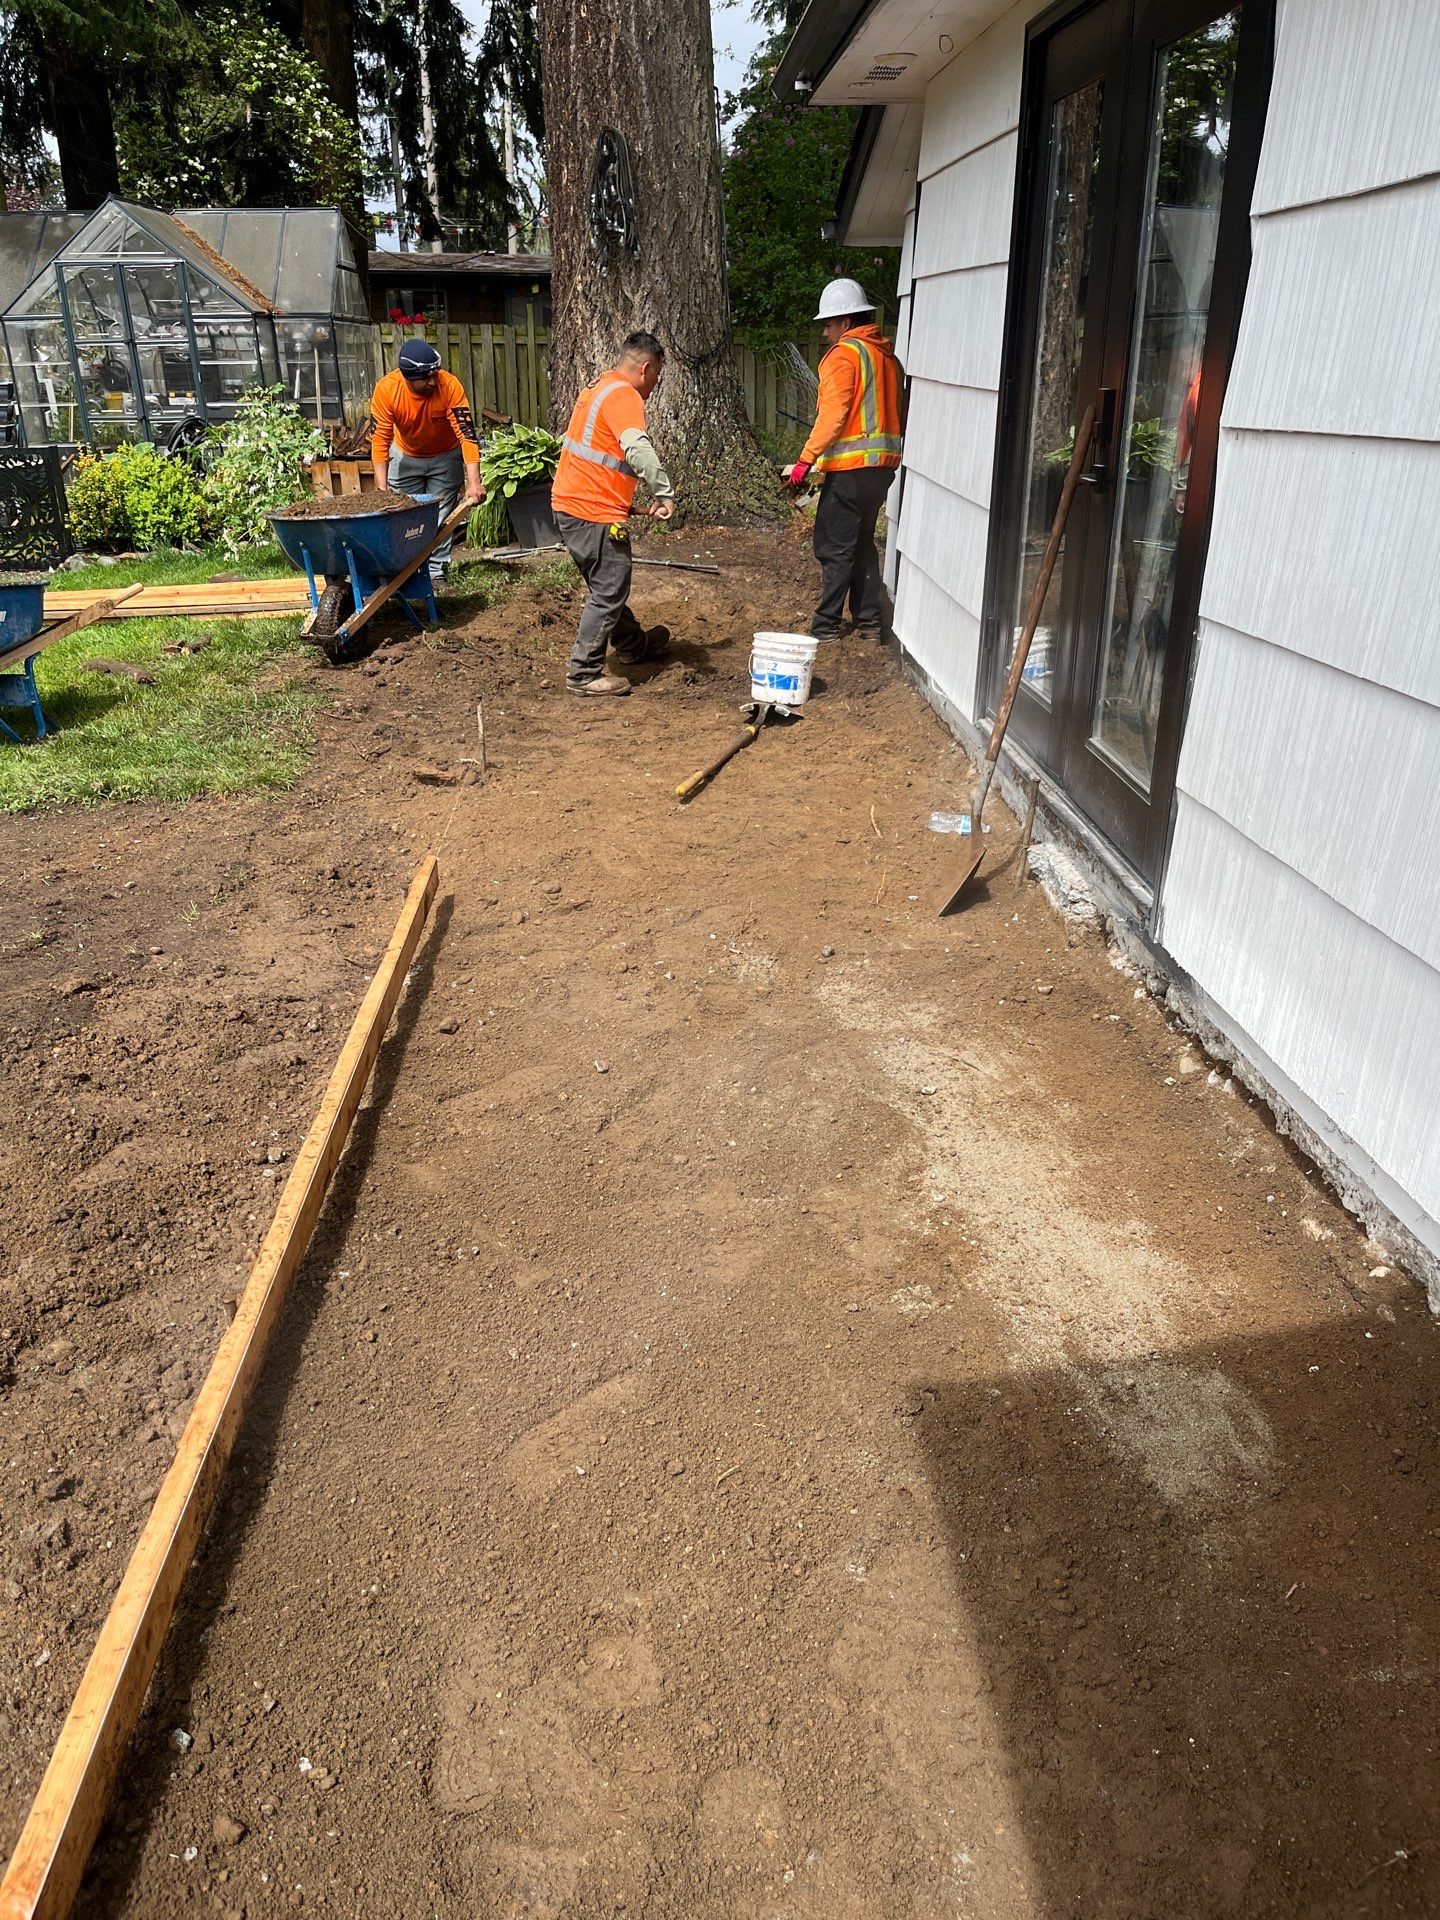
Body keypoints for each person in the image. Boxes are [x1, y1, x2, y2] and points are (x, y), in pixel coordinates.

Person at [551, 330, 677, 698]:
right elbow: (636, 449)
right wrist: (664, 493)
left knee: (606, 580)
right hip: (591, 510)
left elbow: (598, 460)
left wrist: (631, 506)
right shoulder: (625, 394)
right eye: (656, 376)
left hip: (575, 505)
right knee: (610, 585)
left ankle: (633, 645)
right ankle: (584, 673)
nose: (654, 385)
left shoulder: (598, 388)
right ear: (646, 368)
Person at [784, 278, 905, 644]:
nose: (825, 332)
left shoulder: (844, 355)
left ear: (847, 323)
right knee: (864, 543)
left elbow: (834, 415)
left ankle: (825, 626)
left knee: (834, 546)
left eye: (829, 323)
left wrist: (805, 461)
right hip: (882, 470)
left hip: (851, 470)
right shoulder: (888, 358)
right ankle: (869, 623)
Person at [370, 339, 485, 582]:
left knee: (440, 515)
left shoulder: (450, 386)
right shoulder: (387, 390)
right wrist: (382, 490)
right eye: (425, 377)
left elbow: (467, 434)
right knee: (405, 516)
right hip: (405, 457)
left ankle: (435, 572)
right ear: (407, 377)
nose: (433, 381)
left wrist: (474, 482)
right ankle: (406, 571)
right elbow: (380, 440)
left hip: (445, 456)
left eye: (435, 374)